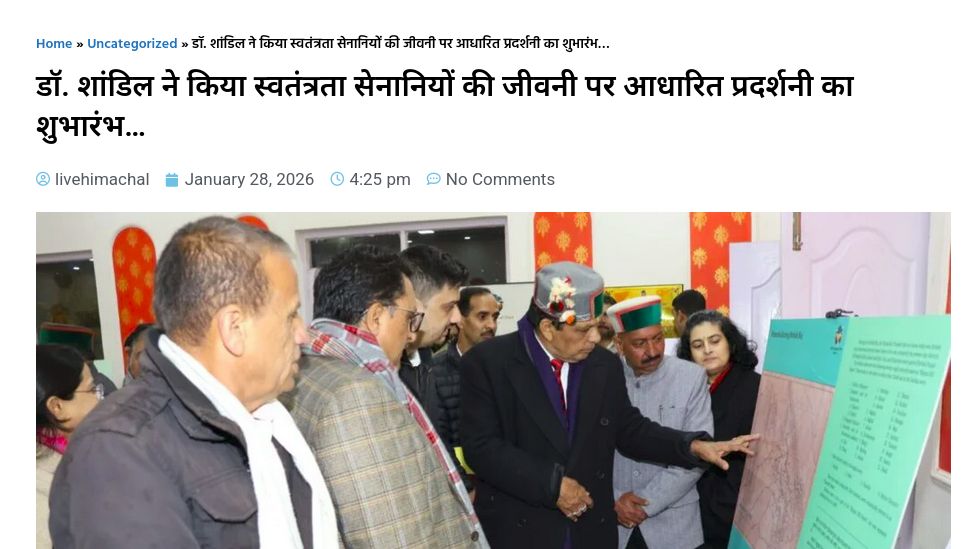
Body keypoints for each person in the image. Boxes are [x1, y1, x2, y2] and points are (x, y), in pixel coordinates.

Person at [50, 216, 338, 548]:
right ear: (234, 328)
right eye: (291, 316)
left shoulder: (267, 420)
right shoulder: (119, 452)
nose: (303, 334)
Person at [460, 262, 759, 549]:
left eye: (597, 326)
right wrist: (552, 486)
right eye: (584, 330)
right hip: (524, 528)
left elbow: (629, 429)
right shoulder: (488, 363)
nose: (594, 338)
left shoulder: (601, 365)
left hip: (590, 531)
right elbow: (481, 448)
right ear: (549, 328)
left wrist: (692, 446)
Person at [289, 245, 488, 547]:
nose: (411, 334)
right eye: (409, 319)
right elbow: (388, 533)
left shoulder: (310, 369)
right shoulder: (356, 395)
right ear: (376, 317)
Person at [607, 297, 713, 549]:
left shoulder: (691, 377)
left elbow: (698, 453)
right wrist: (614, 500)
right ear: (620, 344)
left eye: (658, 339)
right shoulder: (602, 378)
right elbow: (586, 452)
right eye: (640, 343)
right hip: (614, 525)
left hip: (675, 528)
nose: (653, 351)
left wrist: (645, 503)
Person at [676, 310, 761, 549]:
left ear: (730, 343)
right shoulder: (687, 388)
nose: (707, 350)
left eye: (714, 341)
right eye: (697, 345)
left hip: (730, 511)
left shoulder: (754, 387)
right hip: (692, 509)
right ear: (689, 353)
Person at [37, 344, 104, 549]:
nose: (100, 399)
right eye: (92, 389)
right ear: (57, 406)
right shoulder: (39, 486)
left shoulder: (85, 453)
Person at [434, 286, 501, 492]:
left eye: (495, 317)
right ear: (460, 320)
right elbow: (439, 441)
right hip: (462, 490)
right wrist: (465, 487)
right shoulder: (435, 373)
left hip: (504, 487)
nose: (491, 325)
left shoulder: (507, 367)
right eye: (482, 316)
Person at [397, 244, 469, 420]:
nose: (457, 318)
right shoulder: (381, 373)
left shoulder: (425, 359)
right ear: (414, 305)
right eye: (449, 307)